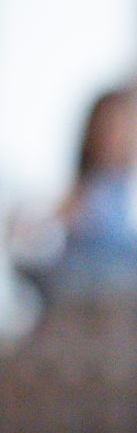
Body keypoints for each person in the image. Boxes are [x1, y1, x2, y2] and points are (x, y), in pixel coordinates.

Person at [52, 83, 137, 292]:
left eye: (122, 128)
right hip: (88, 292)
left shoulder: (127, 187)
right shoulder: (83, 192)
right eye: (108, 128)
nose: (115, 138)